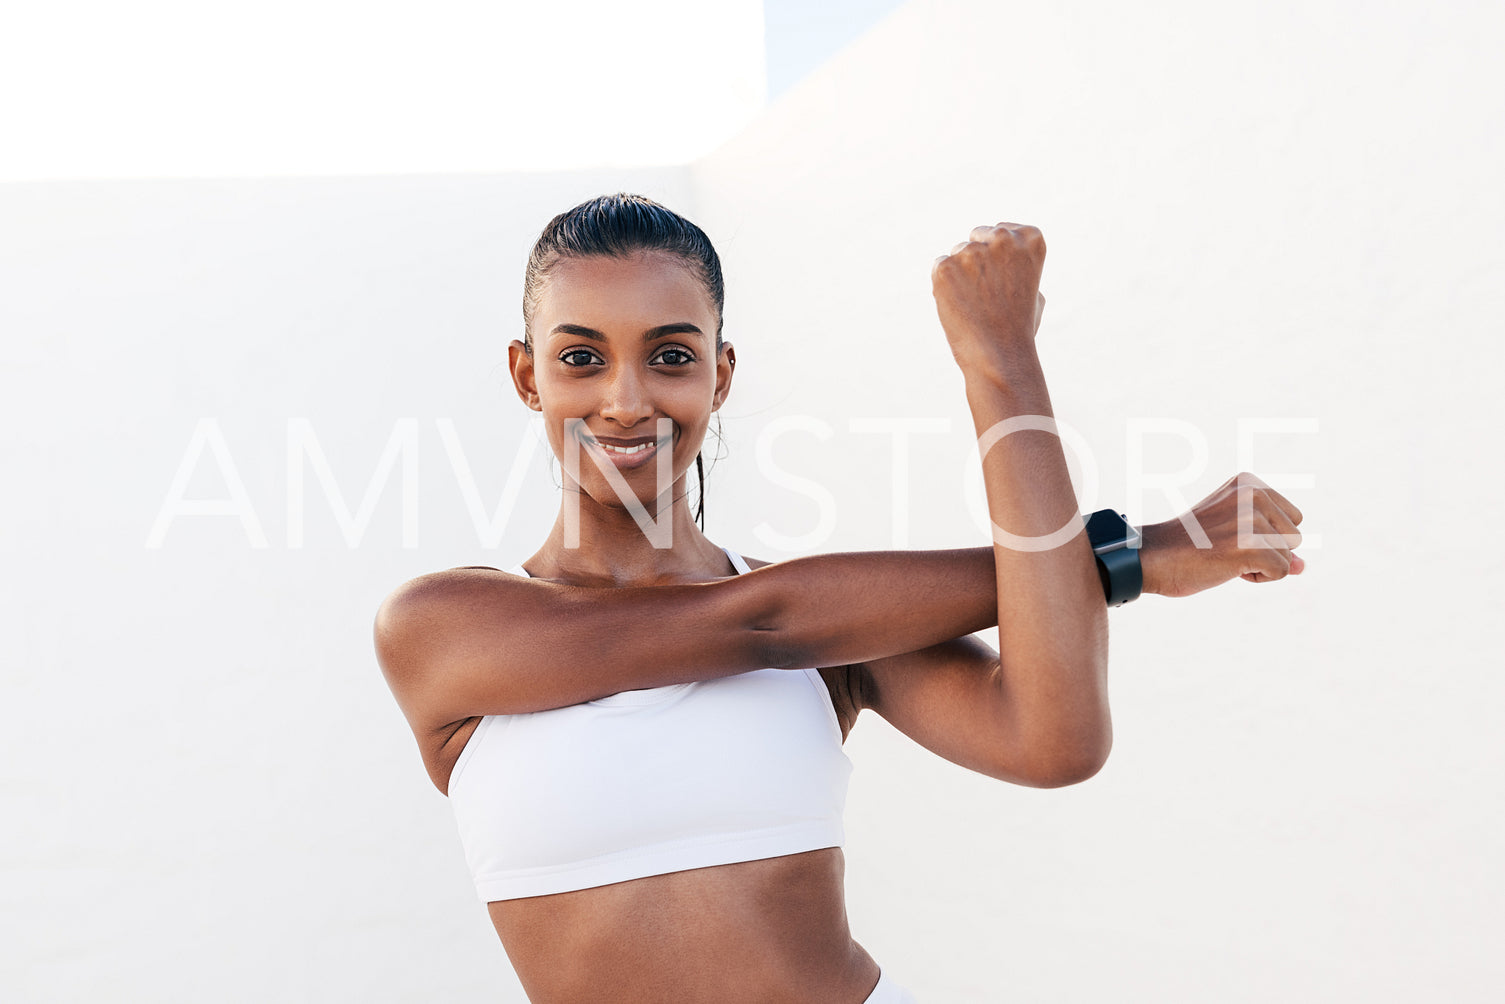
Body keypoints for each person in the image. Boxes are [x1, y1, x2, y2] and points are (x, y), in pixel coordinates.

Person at [373, 193, 1305, 1003]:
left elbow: (1053, 742)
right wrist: (1129, 552)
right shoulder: (441, 626)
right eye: (581, 358)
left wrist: (1000, 358)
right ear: (526, 374)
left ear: (719, 376)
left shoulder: (845, 629)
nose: (625, 399)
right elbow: (758, 624)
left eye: (669, 355)